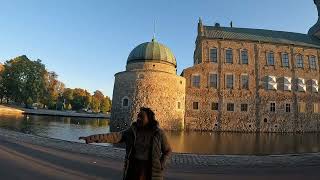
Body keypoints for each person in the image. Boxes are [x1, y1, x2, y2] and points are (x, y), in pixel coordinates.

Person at [79, 107, 172, 180]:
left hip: (150, 170)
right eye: (138, 116)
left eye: (141, 117)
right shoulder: (132, 131)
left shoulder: (158, 133)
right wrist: (91, 138)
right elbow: (115, 136)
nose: (138, 119)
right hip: (133, 167)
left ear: (149, 118)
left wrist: (161, 164)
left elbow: (167, 150)